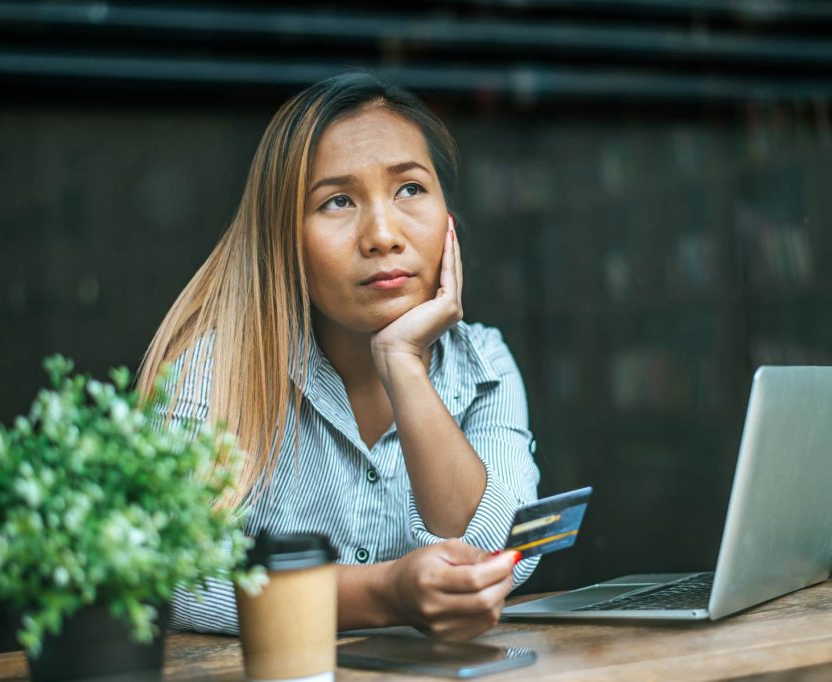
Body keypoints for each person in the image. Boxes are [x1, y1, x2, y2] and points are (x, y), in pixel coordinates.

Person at [136, 70, 540, 641]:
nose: (382, 234)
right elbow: (177, 578)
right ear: (284, 239)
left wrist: (402, 362)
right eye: (338, 201)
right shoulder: (212, 373)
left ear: (448, 214)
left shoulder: (485, 366)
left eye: (410, 189)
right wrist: (383, 592)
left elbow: (497, 553)